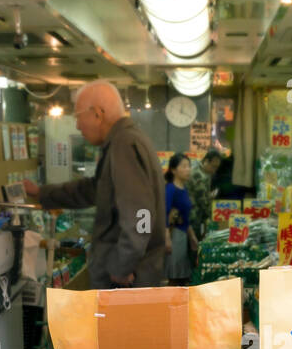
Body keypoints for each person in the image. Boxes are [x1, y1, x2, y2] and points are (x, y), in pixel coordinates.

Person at [24, 81, 165, 289]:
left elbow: (141, 215)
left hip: (127, 282)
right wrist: (43, 193)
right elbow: (93, 190)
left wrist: (122, 266)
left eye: (78, 116)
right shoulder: (123, 141)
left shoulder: (124, 145)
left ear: (98, 114)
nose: (77, 125)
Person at [164, 153, 198, 286]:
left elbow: (185, 217)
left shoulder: (184, 189)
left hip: (183, 235)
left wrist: (192, 237)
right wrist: (167, 239)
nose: (188, 169)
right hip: (174, 236)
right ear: (173, 170)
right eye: (183, 166)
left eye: (189, 166)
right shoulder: (170, 189)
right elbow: (165, 214)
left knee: (182, 276)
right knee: (174, 276)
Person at [188, 148, 222, 240]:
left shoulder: (204, 172)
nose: (214, 170)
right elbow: (202, 201)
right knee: (194, 246)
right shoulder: (198, 174)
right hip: (193, 217)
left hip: (197, 216)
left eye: (216, 168)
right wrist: (214, 217)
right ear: (206, 161)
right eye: (213, 166)